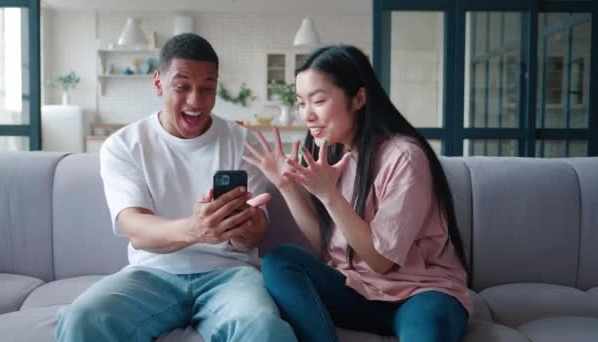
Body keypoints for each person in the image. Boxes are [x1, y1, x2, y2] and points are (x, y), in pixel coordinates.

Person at [55, 33, 296, 342]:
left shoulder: (242, 141)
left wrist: (246, 226)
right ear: (158, 83)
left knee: (263, 328)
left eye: (207, 88)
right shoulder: (124, 145)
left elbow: (256, 234)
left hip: (230, 274)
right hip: (152, 273)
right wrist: (196, 229)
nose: (196, 101)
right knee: (81, 320)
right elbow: (136, 228)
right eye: (182, 87)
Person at [244, 45, 471, 342]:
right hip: (357, 290)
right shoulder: (333, 155)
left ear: (359, 98)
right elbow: (322, 245)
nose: (307, 115)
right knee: (280, 261)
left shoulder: (404, 157)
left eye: (319, 101)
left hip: (420, 293)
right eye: (301, 103)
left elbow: (381, 261)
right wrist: (286, 185)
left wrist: (330, 195)